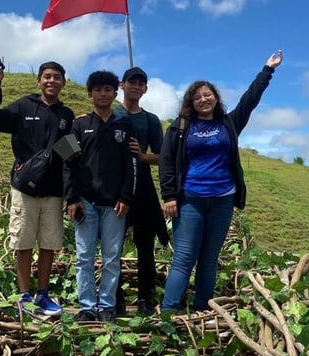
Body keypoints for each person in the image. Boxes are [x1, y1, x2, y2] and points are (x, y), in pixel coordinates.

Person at [159, 50, 284, 313]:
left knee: (208, 259)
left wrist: (267, 70)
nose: (203, 100)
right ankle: (169, 312)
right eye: (197, 97)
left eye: (208, 95)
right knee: (183, 258)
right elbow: (167, 161)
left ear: (215, 97)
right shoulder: (180, 127)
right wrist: (169, 195)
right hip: (190, 199)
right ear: (190, 103)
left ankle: (202, 308)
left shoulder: (229, 123)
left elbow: (250, 100)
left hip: (222, 200)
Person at [0, 60, 75, 316]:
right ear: (39, 80)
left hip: (54, 191)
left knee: (49, 243)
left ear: (63, 83)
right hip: (25, 189)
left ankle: (43, 295)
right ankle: (24, 296)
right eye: (47, 76)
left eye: (57, 77)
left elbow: (69, 154)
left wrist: (72, 192)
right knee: (23, 242)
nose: (51, 81)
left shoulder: (66, 116)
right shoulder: (24, 106)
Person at [64, 71, 136, 323]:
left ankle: (107, 306)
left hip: (115, 203)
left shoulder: (123, 126)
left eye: (107, 89)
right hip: (84, 201)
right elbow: (67, 162)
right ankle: (86, 307)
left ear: (115, 93)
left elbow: (130, 165)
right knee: (84, 256)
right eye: (98, 90)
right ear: (90, 94)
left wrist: (126, 196)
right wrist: (71, 197)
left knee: (111, 257)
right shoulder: (78, 124)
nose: (103, 94)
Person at [113, 67, 167, 316]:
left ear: (145, 89)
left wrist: (143, 156)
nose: (135, 87)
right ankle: (114, 298)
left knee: (145, 246)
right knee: (113, 245)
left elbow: (164, 156)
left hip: (143, 187)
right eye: (131, 82)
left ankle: (146, 298)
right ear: (122, 85)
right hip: (114, 186)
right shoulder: (111, 111)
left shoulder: (151, 120)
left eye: (140, 83)